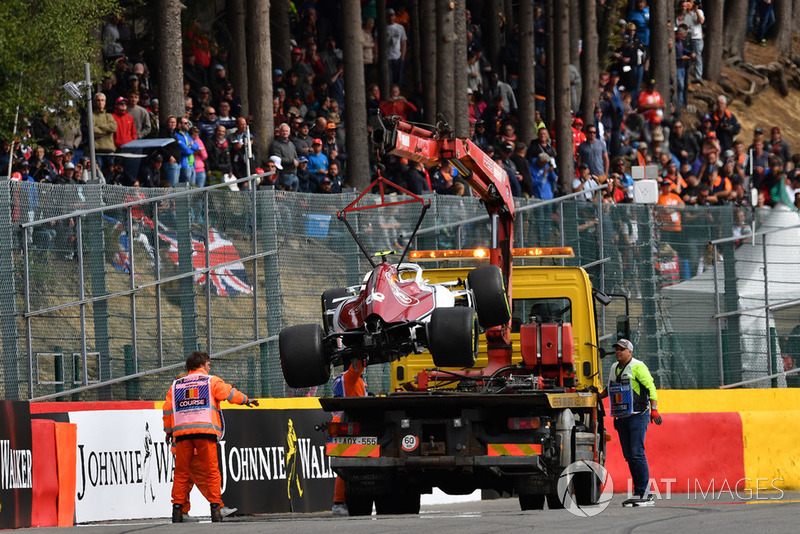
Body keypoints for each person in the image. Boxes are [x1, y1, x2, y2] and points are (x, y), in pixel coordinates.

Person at [162, 351, 258, 523]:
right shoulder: (211, 381)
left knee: (181, 474)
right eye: (208, 364)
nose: (209, 367)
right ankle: (216, 509)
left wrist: (169, 431)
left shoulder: (176, 385)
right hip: (205, 432)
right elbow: (228, 394)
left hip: (182, 435)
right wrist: (246, 399)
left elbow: (168, 409)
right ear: (202, 364)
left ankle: (177, 511)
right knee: (212, 472)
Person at [595, 338, 660, 506]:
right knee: (630, 456)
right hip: (622, 417)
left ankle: (646, 493)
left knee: (637, 453)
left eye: (622, 349)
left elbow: (651, 387)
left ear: (630, 352)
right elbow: (610, 389)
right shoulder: (614, 368)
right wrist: (597, 396)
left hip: (638, 415)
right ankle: (639, 492)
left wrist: (654, 409)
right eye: (616, 349)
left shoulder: (638, 366)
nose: (618, 352)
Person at [331, 360, 366, 516]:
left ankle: (339, 502)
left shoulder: (344, 379)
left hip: (343, 425)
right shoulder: (351, 377)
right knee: (347, 468)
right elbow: (358, 364)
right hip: (347, 425)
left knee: (345, 467)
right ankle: (338, 503)